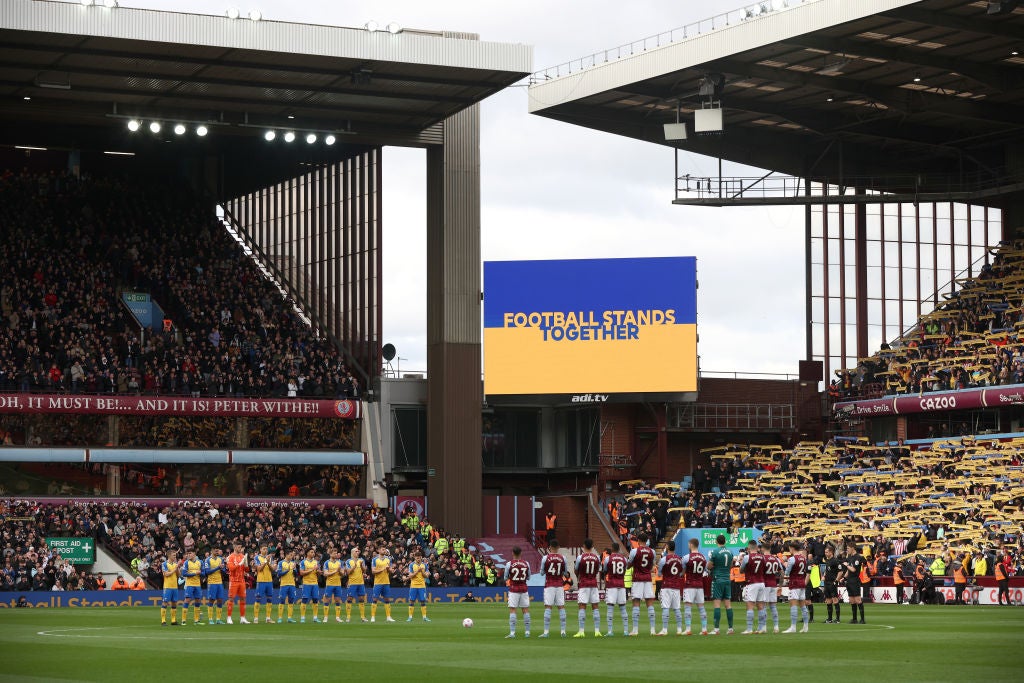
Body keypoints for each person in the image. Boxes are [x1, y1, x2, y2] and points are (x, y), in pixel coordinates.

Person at [627, 533, 657, 636]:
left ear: (638, 541)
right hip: (648, 578)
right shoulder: (652, 551)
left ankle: (635, 630)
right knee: (649, 603)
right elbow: (652, 566)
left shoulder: (634, 551)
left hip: (637, 578)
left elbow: (628, 565)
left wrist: (632, 564)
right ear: (647, 541)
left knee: (636, 602)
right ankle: (653, 629)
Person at [538, 538, 569, 638]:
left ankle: (546, 632)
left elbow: (542, 573)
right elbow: (565, 572)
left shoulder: (545, 558)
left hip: (549, 585)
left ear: (550, 547)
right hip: (560, 585)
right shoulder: (563, 558)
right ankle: (563, 631)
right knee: (561, 607)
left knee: (548, 607)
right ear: (558, 547)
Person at [573, 538, 603, 638]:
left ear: (584, 546)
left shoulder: (580, 557)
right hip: (594, 584)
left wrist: (579, 577)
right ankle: (597, 631)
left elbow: (576, 570)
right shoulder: (597, 557)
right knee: (595, 606)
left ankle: (581, 631)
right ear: (592, 546)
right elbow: (598, 569)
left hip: (584, 584)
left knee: (582, 606)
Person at [707, 533, 735, 635]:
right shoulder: (730, 551)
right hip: (727, 579)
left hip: (717, 579)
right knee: (728, 604)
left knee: (717, 604)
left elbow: (709, 566)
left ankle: (716, 629)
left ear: (716, 541)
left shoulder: (715, 552)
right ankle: (731, 628)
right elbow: (731, 564)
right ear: (725, 542)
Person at [681, 537, 709, 636]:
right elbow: (707, 570)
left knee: (688, 607)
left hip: (689, 584)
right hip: (700, 585)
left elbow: (682, 572)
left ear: (691, 545)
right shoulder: (704, 557)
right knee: (701, 607)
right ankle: (704, 629)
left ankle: (688, 629)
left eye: (689, 544)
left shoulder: (686, 557)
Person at [656, 544, 684, 636]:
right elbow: (681, 573)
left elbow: (659, 574)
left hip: (666, 585)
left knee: (665, 607)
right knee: (677, 608)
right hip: (676, 586)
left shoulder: (664, 559)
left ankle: (664, 629)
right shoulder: (680, 559)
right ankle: (679, 629)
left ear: (667, 547)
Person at [503, 546, 531, 638]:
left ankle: (512, 633)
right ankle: (527, 632)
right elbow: (529, 577)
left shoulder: (509, 564)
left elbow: (505, 578)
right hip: (524, 588)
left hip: (513, 589)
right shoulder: (526, 563)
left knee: (512, 610)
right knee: (525, 610)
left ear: (512, 553)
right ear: (521, 553)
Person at [602, 543, 629, 637]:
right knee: (623, 608)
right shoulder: (624, 559)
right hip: (621, 585)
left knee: (610, 608)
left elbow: (605, 570)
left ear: (612, 549)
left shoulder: (607, 559)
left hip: (611, 585)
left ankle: (610, 631)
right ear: (619, 549)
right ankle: (626, 631)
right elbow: (625, 570)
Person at [739, 540, 765, 634]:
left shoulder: (747, 557)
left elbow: (741, 570)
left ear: (749, 548)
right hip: (761, 583)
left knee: (750, 605)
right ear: (757, 548)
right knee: (761, 606)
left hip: (751, 583)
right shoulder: (762, 557)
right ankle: (761, 628)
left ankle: (749, 629)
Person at [783, 541, 810, 633]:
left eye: (790, 548)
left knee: (793, 604)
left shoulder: (792, 559)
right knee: (803, 605)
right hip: (802, 582)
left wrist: (784, 563)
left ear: (792, 548)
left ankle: (793, 627)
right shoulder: (803, 559)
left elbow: (787, 572)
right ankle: (805, 626)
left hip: (794, 583)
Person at [761, 541, 783, 633]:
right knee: (773, 607)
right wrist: (780, 585)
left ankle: (764, 627)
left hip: (765, 584)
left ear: (763, 549)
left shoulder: (762, 559)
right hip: (773, 584)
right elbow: (782, 572)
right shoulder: (776, 559)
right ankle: (776, 627)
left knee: (763, 606)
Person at [842, 543, 866, 624]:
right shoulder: (849, 557)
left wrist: (847, 565)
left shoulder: (858, 557)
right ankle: (854, 619)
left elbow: (853, 570)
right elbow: (849, 571)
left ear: (853, 548)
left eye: (848, 548)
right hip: (849, 581)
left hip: (855, 581)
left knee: (858, 600)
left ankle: (862, 619)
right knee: (852, 600)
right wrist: (844, 578)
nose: (847, 549)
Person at [404, 548, 431, 622]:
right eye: (416, 557)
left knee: (423, 601)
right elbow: (410, 576)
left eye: (419, 557)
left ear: (421, 557)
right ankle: (410, 617)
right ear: (414, 557)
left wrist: (421, 572)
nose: (418, 559)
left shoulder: (424, 565)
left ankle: (424, 617)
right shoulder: (411, 565)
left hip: (422, 586)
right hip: (413, 586)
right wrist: (417, 572)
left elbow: (426, 576)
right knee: (411, 601)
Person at [225, 543, 249, 624]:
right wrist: (239, 564)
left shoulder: (242, 556)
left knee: (243, 598)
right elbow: (231, 569)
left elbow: (247, 570)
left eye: (240, 547)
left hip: (242, 580)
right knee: (231, 599)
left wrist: (246, 564)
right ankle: (229, 618)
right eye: (238, 547)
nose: (240, 548)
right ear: (234, 547)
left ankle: (242, 618)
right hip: (233, 581)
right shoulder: (230, 557)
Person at [370, 547, 395, 623]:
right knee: (375, 599)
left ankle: (388, 617)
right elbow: (373, 571)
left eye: (385, 549)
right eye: (383, 549)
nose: (384, 551)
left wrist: (388, 569)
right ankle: (373, 617)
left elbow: (391, 571)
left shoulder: (388, 559)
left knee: (387, 599)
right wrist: (382, 569)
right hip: (378, 582)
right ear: (379, 550)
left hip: (386, 582)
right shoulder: (374, 559)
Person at [252, 545, 276, 624]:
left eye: (266, 549)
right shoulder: (256, 558)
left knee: (269, 599)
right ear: (260, 550)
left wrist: (268, 562)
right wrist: (266, 561)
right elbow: (259, 569)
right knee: (258, 599)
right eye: (264, 549)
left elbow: (273, 569)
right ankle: (256, 618)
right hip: (261, 581)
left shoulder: (270, 557)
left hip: (269, 581)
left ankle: (268, 618)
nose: (266, 550)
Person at [203, 547, 228, 624]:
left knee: (220, 600)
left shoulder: (220, 559)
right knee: (211, 600)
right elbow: (207, 572)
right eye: (215, 550)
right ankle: (210, 619)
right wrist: (218, 567)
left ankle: (218, 619)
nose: (217, 552)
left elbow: (224, 571)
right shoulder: (207, 560)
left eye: (218, 550)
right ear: (211, 551)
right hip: (211, 582)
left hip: (219, 582)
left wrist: (222, 568)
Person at [321, 549, 346, 623]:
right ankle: (325, 617)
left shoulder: (339, 562)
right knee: (327, 600)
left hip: (338, 584)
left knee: (338, 600)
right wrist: (335, 571)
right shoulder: (327, 563)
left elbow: (343, 574)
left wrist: (340, 571)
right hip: (330, 584)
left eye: (336, 553)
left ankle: (337, 617)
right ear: (330, 554)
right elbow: (325, 574)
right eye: (334, 554)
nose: (336, 555)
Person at [345, 547, 368, 623]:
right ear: (352, 553)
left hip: (360, 583)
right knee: (349, 599)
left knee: (361, 599)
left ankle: (363, 617)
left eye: (358, 551)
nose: (358, 552)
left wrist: (361, 566)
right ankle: (348, 617)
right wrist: (354, 567)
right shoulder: (348, 561)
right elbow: (348, 572)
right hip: (352, 583)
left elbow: (364, 571)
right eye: (356, 551)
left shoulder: (361, 560)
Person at [181, 550, 205, 625]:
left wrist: (200, 573)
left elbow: (204, 573)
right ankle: (183, 620)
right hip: (189, 584)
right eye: (187, 553)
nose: (188, 555)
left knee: (198, 600)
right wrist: (195, 573)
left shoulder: (200, 562)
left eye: (190, 553)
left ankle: (196, 620)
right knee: (187, 600)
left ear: (194, 554)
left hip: (197, 584)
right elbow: (184, 574)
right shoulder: (186, 562)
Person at [298, 548, 321, 623]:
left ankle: (315, 617)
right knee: (304, 599)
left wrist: (318, 572)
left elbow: (317, 573)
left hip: (315, 583)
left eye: (313, 552)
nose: (313, 553)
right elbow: (301, 573)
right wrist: (312, 569)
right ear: (307, 553)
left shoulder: (316, 562)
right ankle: (302, 617)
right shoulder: (303, 562)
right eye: (311, 552)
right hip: (306, 583)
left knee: (315, 600)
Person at [160, 550, 182, 626]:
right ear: (169, 556)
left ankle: (173, 620)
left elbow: (179, 575)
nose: (175, 557)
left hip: (175, 586)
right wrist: (174, 569)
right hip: (167, 586)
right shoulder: (164, 564)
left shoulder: (175, 564)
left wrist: (177, 568)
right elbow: (166, 574)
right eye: (173, 555)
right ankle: (163, 621)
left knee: (174, 603)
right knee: (165, 602)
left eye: (175, 555)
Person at [276, 550, 298, 623]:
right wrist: (287, 570)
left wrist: (294, 569)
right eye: (291, 555)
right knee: (282, 600)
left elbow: (296, 574)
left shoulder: (293, 563)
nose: (292, 556)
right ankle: (280, 618)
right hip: (284, 584)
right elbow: (279, 574)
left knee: (291, 601)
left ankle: (289, 618)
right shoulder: (281, 563)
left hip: (292, 584)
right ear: (287, 555)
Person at [823, 544, 842, 623]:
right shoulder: (827, 560)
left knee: (835, 599)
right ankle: (829, 618)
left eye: (827, 552)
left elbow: (840, 571)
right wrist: (824, 576)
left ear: (831, 552)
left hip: (832, 582)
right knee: (828, 600)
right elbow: (828, 571)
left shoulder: (835, 560)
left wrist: (836, 581)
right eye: (825, 552)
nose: (825, 553)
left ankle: (837, 619)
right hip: (826, 582)